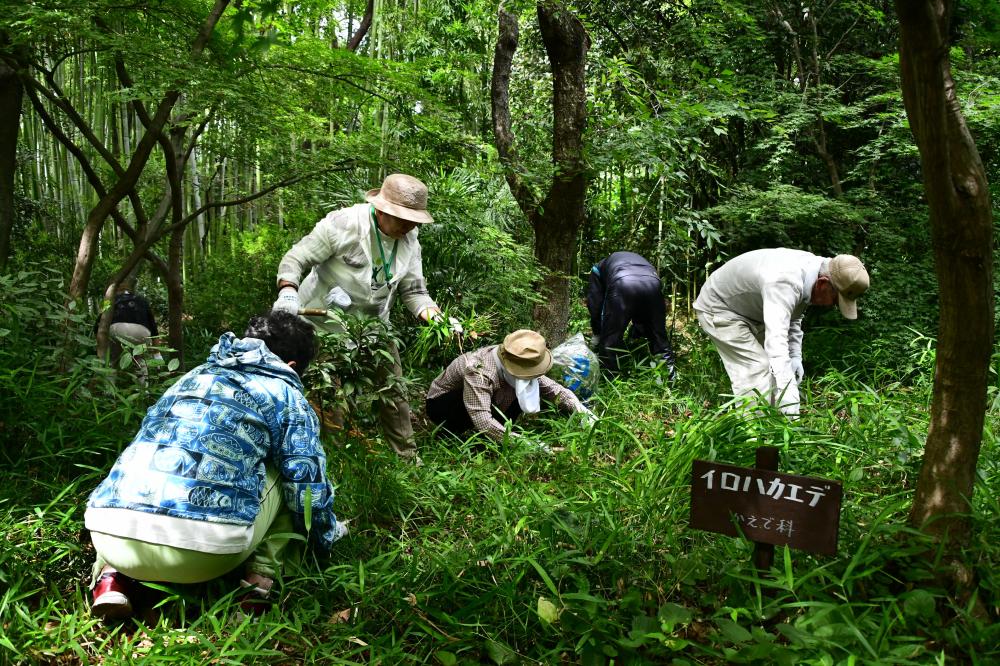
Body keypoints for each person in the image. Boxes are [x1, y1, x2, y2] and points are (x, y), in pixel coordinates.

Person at [86, 311, 347, 620]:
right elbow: (308, 489)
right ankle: (258, 586)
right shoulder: (284, 392)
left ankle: (110, 580)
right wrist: (327, 536)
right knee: (291, 471)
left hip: (109, 534)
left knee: (143, 463)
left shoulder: (194, 376)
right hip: (205, 554)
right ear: (291, 367)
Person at [272, 173, 457, 461]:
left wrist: (439, 321)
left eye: (414, 219)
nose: (410, 225)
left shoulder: (409, 239)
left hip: (373, 326)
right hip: (322, 324)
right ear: (381, 209)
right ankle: (333, 463)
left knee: (394, 392)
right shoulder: (343, 224)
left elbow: (415, 292)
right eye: (403, 217)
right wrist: (287, 292)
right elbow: (295, 259)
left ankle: (407, 458)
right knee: (329, 399)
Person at [693, 248, 870, 417]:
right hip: (719, 307)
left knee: (776, 371)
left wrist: (795, 357)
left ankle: (773, 428)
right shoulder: (785, 281)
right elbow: (777, 344)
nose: (831, 306)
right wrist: (789, 393)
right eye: (834, 300)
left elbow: (792, 317)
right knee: (756, 367)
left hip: (752, 311)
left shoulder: (813, 272)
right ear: (824, 283)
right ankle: (754, 434)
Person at [425, 329, 595, 446]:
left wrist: (581, 411)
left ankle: (497, 437)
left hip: (490, 399)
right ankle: (454, 434)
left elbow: (554, 390)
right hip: (444, 404)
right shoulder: (478, 371)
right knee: (480, 414)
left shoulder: (519, 358)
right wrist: (524, 443)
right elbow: (482, 419)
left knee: (526, 389)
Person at [587, 252, 677, 377]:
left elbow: (595, 303)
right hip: (653, 283)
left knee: (610, 340)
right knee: (659, 338)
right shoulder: (638, 260)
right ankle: (670, 380)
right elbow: (643, 313)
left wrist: (598, 332)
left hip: (622, 282)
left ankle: (610, 381)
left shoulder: (597, 268)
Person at [94, 288, 162, 382]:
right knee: (139, 358)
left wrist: (99, 345)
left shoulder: (112, 300)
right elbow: (154, 328)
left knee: (112, 359)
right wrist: (156, 353)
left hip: (117, 329)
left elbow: (99, 323)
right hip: (142, 331)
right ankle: (143, 389)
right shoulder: (142, 300)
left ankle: (109, 390)